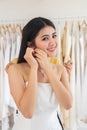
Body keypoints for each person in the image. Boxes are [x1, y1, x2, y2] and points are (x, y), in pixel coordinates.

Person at [5, 17, 73, 130]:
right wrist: (33, 68)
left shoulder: (60, 69)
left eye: (54, 36)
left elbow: (67, 104)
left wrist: (47, 67)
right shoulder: (15, 70)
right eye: (45, 38)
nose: (53, 42)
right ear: (31, 45)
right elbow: (28, 113)